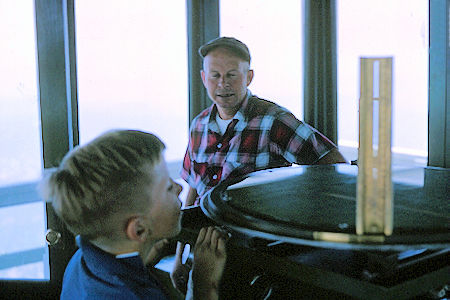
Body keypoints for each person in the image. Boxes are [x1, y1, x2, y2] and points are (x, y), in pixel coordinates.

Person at [171, 36, 348, 293]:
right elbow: (193, 190)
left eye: (232, 74)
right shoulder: (198, 125)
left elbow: (334, 164)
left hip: (252, 256)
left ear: (249, 76)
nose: (223, 84)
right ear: (203, 77)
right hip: (202, 253)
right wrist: (179, 259)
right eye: (215, 75)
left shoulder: (273, 120)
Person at [39, 129, 228, 300]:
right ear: (138, 229)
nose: (180, 188)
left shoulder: (81, 261)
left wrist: (144, 256)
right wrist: (202, 285)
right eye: (168, 188)